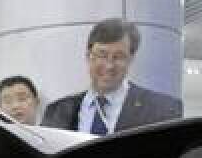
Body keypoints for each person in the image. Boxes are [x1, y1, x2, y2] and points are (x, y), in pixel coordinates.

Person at [41, 18, 182, 134]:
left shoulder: (163, 110)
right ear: (88, 56)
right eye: (102, 55)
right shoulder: (56, 111)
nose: (109, 66)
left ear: (131, 59)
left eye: (119, 57)